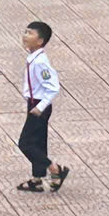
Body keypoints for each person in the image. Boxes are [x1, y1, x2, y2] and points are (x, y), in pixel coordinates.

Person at [18, 19, 69, 192]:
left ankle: (55, 169)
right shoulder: (33, 57)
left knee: (25, 143)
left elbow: (53, 87)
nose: (25, 36)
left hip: (39, 106)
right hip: (34, 103)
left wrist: (40, 108)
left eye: (30, 33)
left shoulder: (40, 62)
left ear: (40, 41)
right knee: (38, 142)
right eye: (25, 32)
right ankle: (37, 179)